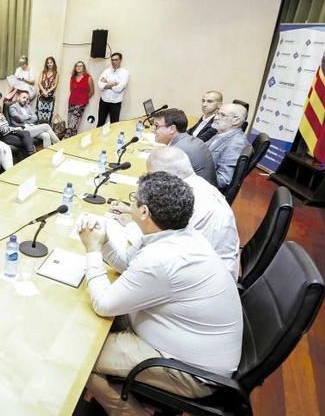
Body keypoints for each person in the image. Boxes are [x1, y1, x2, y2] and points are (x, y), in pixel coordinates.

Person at [77, 172, 242, 416]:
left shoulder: (162, 259)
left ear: (144, 212)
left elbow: (102, 303)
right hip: (187, 343)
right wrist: (103, 242)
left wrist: (92, 250)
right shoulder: (181, 234)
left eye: (133, 199)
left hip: (191, 372)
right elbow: (129, 266)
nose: (130, 204)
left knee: (82, 357)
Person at [141, 147, 240, 278]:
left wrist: (136, 223)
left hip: (204, 280)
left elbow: (161, 250)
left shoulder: (187, 201)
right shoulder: (198, 185)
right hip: (209, 269)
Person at [151, 108, 218, 186]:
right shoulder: (190, 140)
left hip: (196, 195)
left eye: (156, 126)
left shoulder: (177, 151)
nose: (153, 130)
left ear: (172, 129)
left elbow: (162, 184)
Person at [206, 103, 250, 191]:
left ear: (236, 120)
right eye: (217, 113)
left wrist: (195, 171)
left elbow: (223, 180)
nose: (216, 117)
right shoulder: (222, 133)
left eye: (222, 115)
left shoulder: (236, 144)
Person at [97, 52, 129, 126]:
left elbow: (119, 88)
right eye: (112, 60)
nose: (113, 62)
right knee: (100, 124)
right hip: (103, 102)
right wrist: (114, 83)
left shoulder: (124, 73)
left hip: (115, 103)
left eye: (116, 60)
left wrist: (107, 83)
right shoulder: (106, 71)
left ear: (120, 60)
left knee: (114, 125)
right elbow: (100, 85)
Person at [66, 61, 94, 138]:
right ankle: (72, 140)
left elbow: (92, 91)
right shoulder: (73, 77)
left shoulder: (88, 77)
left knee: (73, 122)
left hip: (81, 104)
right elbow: (71, 89)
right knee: (71, 122)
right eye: (77, 66)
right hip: (72, 102)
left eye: (81, 66)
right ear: (75, 68)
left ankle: (65, 138)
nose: (79, 67)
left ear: (83, 68)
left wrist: (84, 100)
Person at [37, 56, 59, 124]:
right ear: (46, 64)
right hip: (41, 95)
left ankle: (47, 128)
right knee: (39, 112)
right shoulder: (43, 72)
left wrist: (47, 91)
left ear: (53, 63)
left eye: (51, 62)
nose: (49, 64)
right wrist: (43, 91)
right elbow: (39, 82)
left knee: (48, 114)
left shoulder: (56, 73)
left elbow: (55, 85)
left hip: (50, 97)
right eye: (48, 63)